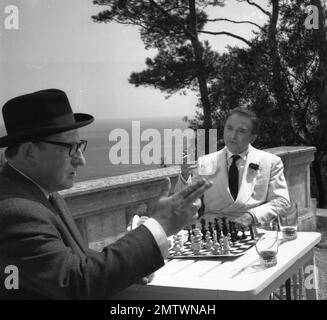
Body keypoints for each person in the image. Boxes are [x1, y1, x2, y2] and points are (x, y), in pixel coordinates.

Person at [0, 89, 212, 299]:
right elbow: (76, 283)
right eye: (70, 148)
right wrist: (160, 224)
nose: (81, 160)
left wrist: (129, 268)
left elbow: (73, 259)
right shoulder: (15, 212)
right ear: (29, 152)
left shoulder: (41, 194)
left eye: (80, 146)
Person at [176, 107, 290, 227]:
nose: (233, 136)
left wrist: (252, 216)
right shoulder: (206, 161)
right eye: (229, 128)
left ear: (252, 138)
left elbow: (282, 202)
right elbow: (182, 204)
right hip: (214, 233)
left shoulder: (270, 162)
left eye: (241, 131)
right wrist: (185, 176)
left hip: (254, 231)